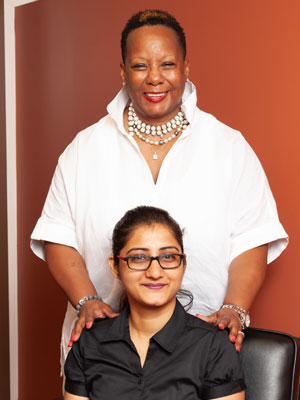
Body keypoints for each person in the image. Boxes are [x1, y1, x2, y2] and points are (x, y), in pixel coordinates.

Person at [30, 9, 288, 374]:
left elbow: (253, 239)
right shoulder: (84, 149)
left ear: (185, 67)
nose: (154, 78)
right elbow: (57, 236)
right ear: (122, 71)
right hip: (103, 352)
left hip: (201, 348)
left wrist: (235, 307)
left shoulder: (228, 147)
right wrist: (86, 299)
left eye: (167, 64)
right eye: (139, 66)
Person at [64, 206, 246, 400]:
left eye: (168, 257)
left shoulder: (213, 347)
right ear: (115, 267)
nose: (155, 272)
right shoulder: (89, 343)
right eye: (139, 258)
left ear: (183, 264)